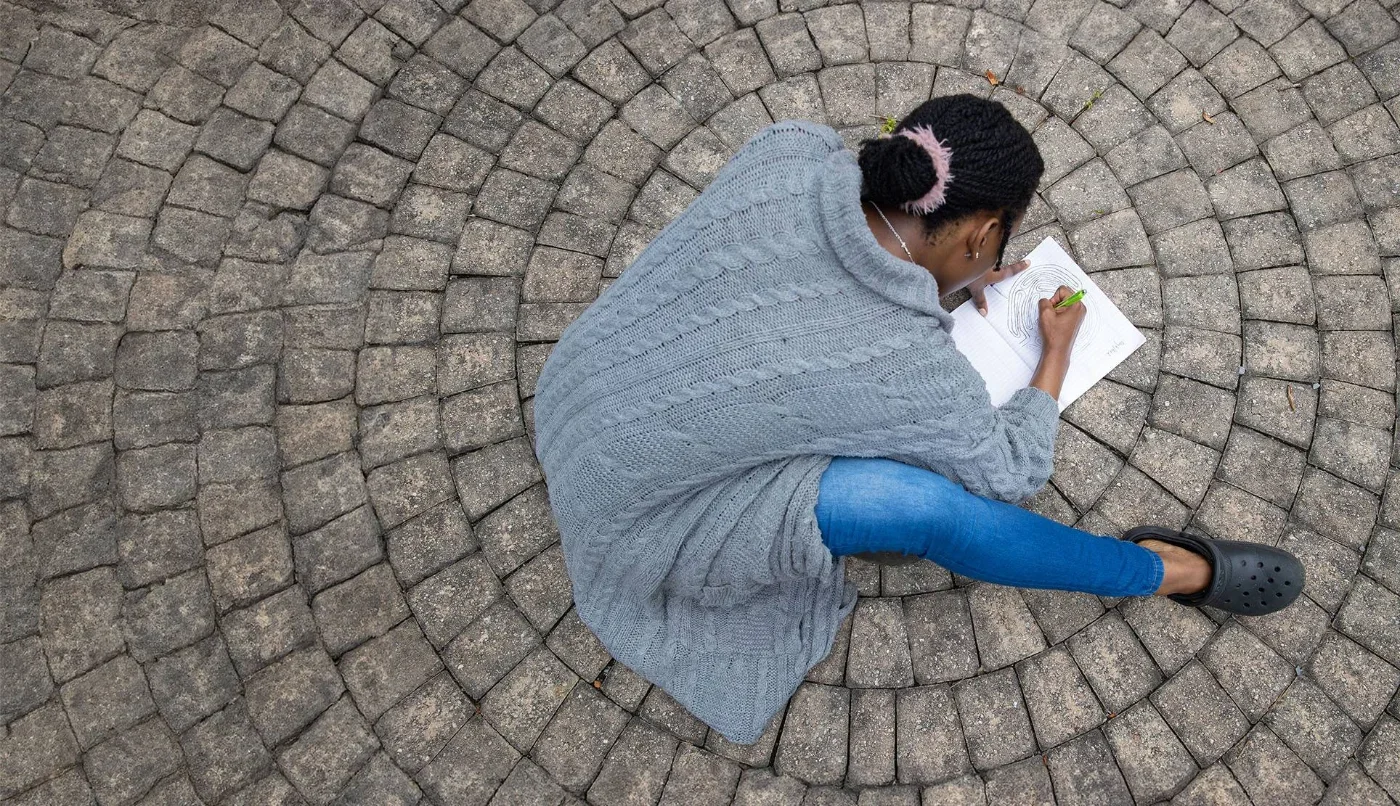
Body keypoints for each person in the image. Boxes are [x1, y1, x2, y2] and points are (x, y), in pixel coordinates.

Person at [531, 95, 1305, 745]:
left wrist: (939, 279)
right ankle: (1165, 571)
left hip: (576, 393)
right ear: (978, 234)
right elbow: (1012, 468)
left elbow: (803, 294)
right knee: (922, 508)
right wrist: (1055, 354)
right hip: (641, 525)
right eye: (995, 240)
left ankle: (1166, 570)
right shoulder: (903, 365)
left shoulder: (790, 150)